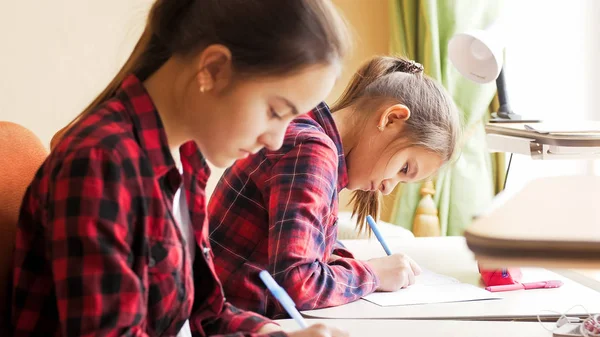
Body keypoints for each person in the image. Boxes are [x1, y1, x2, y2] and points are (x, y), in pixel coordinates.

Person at [10, 1, 351, 336]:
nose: (276, 140)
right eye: (276, 111)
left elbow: (203, 312)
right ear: (214, 69)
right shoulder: (102, 163)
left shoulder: (187, 157)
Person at [207, 56, 461, 318]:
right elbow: (300, 284)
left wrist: (357, 268)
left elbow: (311, 249)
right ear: (391, 118)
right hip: (228, 320)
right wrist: (374, 274)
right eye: (404, 168)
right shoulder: (312, 152)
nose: (387, 188)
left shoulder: (308, 133)